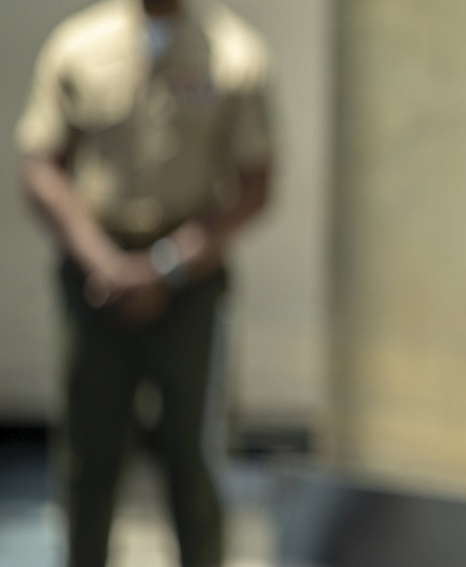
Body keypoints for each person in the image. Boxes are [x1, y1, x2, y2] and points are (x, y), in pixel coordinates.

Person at [15, 0, 274, 565]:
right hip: (95, 275)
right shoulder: (78, 45)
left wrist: (169, 265)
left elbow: (255, 182)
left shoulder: (234, 53)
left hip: (190, 277)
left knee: (194, 454)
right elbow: (40, 162)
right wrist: (101, 260)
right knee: (90, 452)